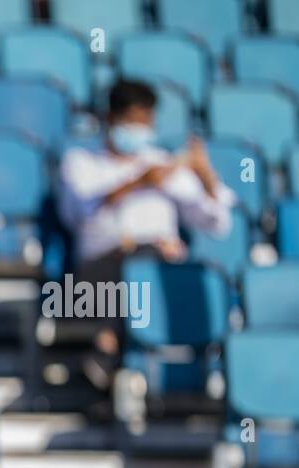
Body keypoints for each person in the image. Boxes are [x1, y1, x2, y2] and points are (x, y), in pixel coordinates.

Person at [57, 79, 236, 396]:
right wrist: (138, 183)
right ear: (111, 119)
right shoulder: (80, 162)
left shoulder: (161, 164)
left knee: (152, 266)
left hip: (161, 272)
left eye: (146, 122)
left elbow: (217, 222)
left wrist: (205, 174)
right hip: (95, 275)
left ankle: (108, 352)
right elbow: (78, 214)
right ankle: (114, 358)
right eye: (134, 122)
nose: (141, 130)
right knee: (135, 264)